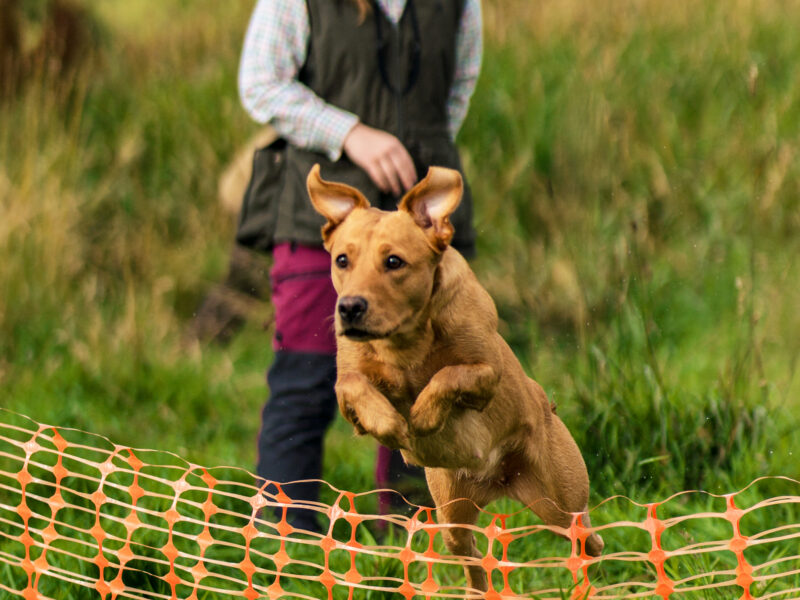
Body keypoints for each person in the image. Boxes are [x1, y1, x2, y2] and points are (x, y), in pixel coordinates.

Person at [237, 0, 482, 532]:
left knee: (427, 385)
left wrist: (418, 175)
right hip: (317, 222)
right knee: (307, 380)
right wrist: (351, 134)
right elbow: (260, 81)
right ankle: (286, 541)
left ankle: (413, 536)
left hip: (419, 232)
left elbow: (456, 90)